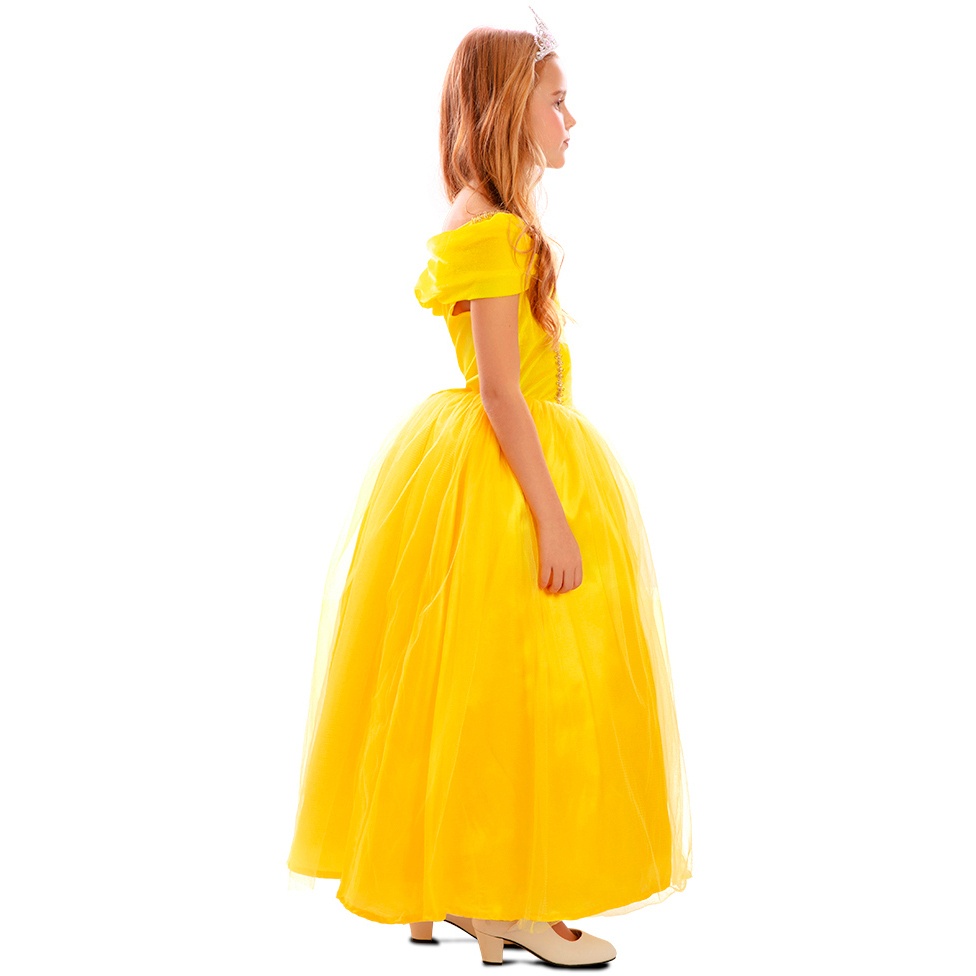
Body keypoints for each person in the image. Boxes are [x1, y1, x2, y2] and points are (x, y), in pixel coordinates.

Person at [285, 10, 692, 967]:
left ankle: (449, 883)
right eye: (558, 101)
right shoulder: (498, 231)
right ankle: (513, 896)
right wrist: (552, 516)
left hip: (470, 469)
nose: (571, 120)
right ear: (511, 109)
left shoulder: (479, 220)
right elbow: (504, 391)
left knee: (461, 684)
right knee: (527, 688)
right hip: (512, 474)